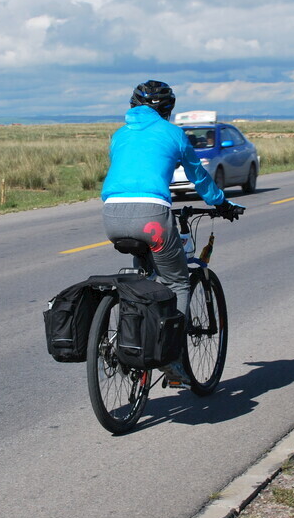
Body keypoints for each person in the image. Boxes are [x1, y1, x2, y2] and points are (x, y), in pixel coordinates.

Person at [100, 80, 243, 386]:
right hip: (151, 215)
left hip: (111, 214)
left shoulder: (119, 135)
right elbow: (199, 177)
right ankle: (172, 358)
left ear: (132, 106)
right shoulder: (174, 134)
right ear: (168, 110)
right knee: (177, 280)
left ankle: (129, 335)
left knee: (143, 278)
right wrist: (223, 204)